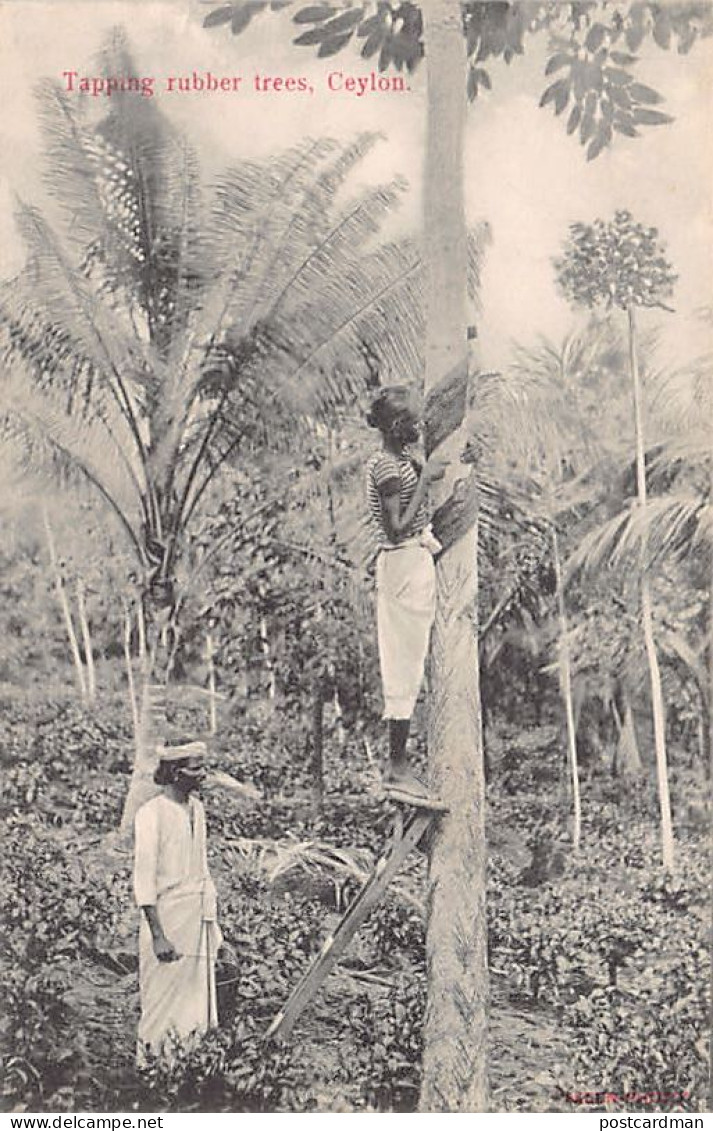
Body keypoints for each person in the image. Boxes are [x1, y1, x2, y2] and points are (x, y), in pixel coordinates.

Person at [365, 385, 448, 806]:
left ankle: (400, 763)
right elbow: (397, 526)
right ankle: (397, 765)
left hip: (408, 560)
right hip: (402, 560)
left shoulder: (394, 461)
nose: (419, 427)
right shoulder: (387, 469)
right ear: (397, 427)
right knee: (404, 664)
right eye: (413, 422)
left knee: (410, 662)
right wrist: (425, 480)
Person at [133, 739, 222, 1061]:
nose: (203, 775)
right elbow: (143, 880)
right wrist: (158, 935)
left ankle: (188, 1063)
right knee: (161, 996)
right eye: (195, 769)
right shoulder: (151, 814)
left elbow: (202, 869)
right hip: (167, 918)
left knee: (195, 996)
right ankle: (153, 1066)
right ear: (173, 772)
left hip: (196, 916)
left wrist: (212, 924)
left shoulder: (197, 810)